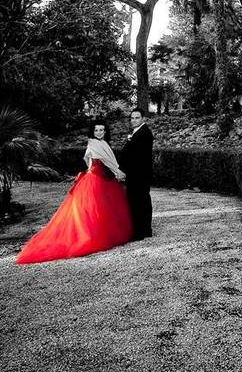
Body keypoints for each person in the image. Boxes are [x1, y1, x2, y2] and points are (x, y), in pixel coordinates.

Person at [16, 120, 133, 264]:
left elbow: (92, 159)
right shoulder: (93, 143)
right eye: (96, 130)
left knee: (103, 209)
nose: (99, 133)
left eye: (102, 130)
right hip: (95, 178)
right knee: (92, 210)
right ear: (92, 132)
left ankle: (105, 234)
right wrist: (117, 172)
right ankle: (93, 236)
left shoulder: (103, 143)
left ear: (105, 131)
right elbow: (103, 160)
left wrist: (113, 171)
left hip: (103, 178)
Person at [118, 108, 154, 240]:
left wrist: (124, 170)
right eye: (132, 118)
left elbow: (136, 157)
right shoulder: (138, 132)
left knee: (137, 202)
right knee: (142, 201)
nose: (134, 120)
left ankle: (139, 232)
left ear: (143, 119)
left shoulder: (144, 133)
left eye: (137, 118)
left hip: (138, 175)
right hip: (138, 174)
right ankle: (145, 230)